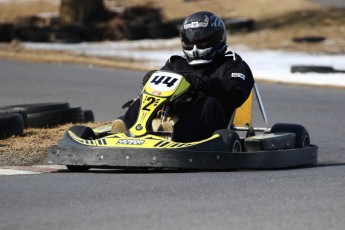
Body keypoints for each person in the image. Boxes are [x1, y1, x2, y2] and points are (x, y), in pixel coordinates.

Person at [112, 11, 254, 142]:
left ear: (216, 39)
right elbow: (159, 86)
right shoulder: (177, 63)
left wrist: (202, 83)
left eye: (202, 42)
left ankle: (174, 135)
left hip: (208, 122)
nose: (195, 49)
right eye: (190, 43)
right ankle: (127, 127)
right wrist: (152, 78)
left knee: (211, 102)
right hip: (172, 112)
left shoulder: (232, 63)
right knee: (145, 97)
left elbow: (235, 92)